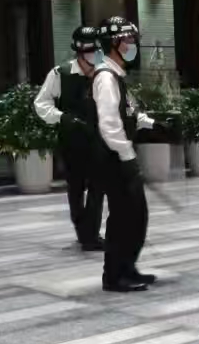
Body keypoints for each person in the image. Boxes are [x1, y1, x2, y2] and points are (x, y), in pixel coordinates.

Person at [93, 16, 158, 292]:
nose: (132, 45)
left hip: (121, 157)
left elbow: (129, 112)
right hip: (115, 159)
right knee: (123, 217)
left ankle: (128, 267)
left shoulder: (117, 76)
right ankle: (114, 275)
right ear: (114, 44)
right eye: (128, 40)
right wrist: (127, 155)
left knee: (136, 215)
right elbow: (109, 124)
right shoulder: (105, 78)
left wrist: (154, 124)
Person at [34, 25, 104, 251]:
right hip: (72, 140)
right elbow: (41, 103)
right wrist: (61, 117)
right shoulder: (60, 74)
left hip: (99, 138)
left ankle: (91, 234)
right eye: (90, 51)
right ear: (79, 51)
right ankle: (83, 231)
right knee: (76, 187)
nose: (95, 56)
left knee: (98, 185)